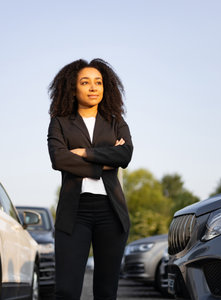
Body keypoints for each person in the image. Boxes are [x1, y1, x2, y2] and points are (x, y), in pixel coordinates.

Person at [47, 58, 133, 300]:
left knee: (107, 292)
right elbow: (59, 159)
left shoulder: (116, 122)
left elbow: (125, 154)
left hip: (111, 212)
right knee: (67, 290)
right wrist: (103, 165)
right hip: (75, 212)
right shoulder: (60, 123)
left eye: (99, 82)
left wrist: (84, 153)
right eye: (85, 82)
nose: (93, 87)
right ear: (73, 89)